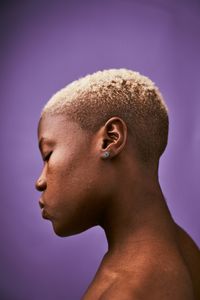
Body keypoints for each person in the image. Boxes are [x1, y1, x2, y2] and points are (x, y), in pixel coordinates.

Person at [35, 69, 200, 300]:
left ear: (110, 139)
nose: (39, 181)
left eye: (48, 154)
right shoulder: (185, 249)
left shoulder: (130, 290)